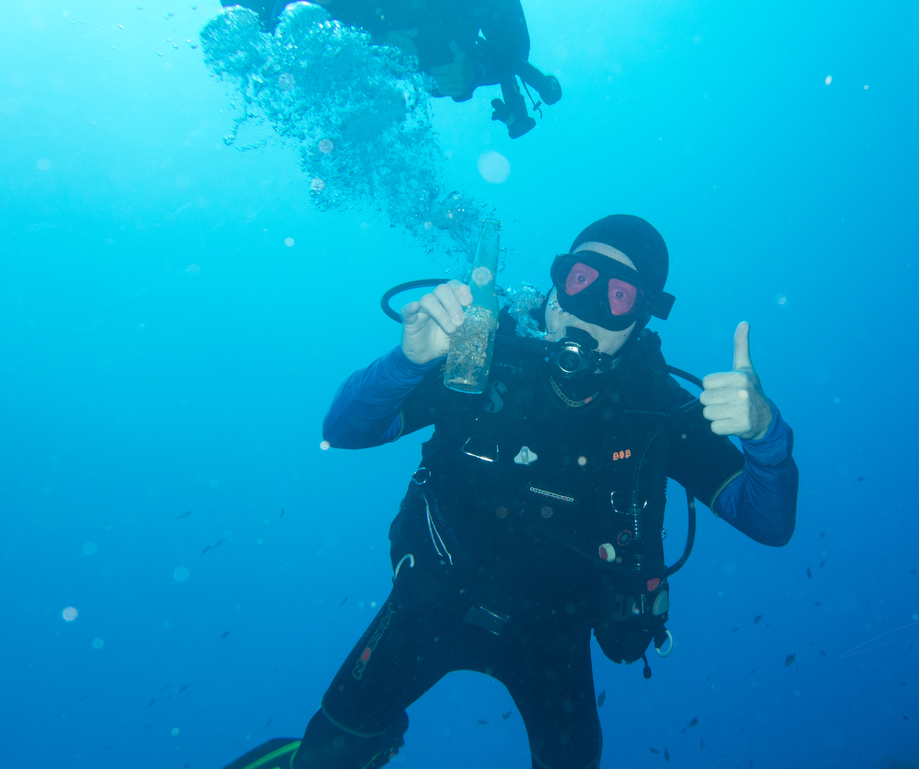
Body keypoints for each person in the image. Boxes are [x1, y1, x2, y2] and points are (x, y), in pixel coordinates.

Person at [224, 215, 798, 769]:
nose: (589, 308)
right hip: (431, 599)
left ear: (643, 316)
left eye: (619, 296)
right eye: (580, 280)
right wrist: (407, 362)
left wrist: (766, 436)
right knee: (328, 753)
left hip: (554, 636)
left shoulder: (657, 412)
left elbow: (769, 524)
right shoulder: (480, 355)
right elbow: (343, 431)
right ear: (556, 281)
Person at [226, 0, 561, 137]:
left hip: (431, 50)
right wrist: (370, 40)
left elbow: (514, 49)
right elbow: (275, 27)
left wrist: (471, 72)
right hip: (347, 34)